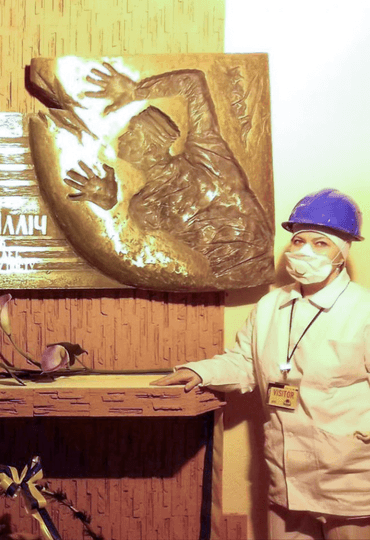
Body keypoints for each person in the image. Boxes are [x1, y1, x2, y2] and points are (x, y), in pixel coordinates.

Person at [152, 189, 370, 539]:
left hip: (350, 479)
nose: (305, 251)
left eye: (320, 243)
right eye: (298, 240)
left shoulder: (362, 311)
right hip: (285, 476)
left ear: (342, 253)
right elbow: (244, 362)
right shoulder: (270, 306)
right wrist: (200, 371)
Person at [62, 63, 273, 288]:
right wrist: (109, 204)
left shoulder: (208, 157)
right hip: (223, 277)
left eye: (132, 132)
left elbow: (193, 81)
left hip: (260, 261)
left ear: (152, 145)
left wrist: (137, 92)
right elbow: (134, 255)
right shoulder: (142, 207)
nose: (121, 138)